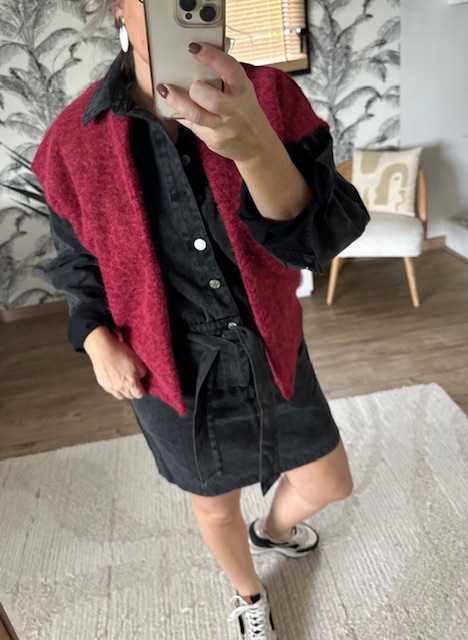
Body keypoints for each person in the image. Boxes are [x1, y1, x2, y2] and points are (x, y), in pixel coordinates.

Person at [32, 1, 369, 638]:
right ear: (119, 5)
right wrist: (96, 338)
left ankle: (273, 531)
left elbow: (323, 238)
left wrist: (256, 148)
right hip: (169, 364)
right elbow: (77, 262)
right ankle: (249, 595)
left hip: (269, 343)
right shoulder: (71, 140)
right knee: (213, 506)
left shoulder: (269, 95)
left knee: (330, 482)